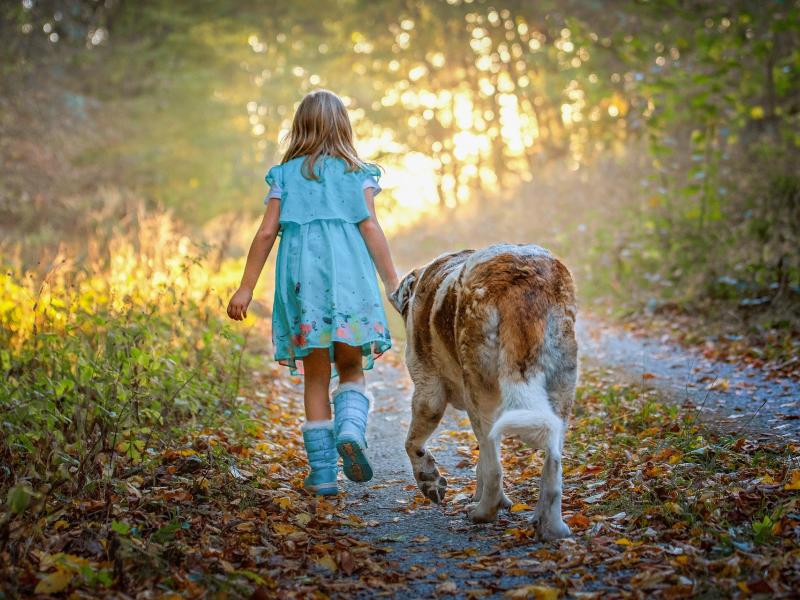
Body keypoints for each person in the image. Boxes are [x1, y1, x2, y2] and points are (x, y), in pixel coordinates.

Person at [226, 89, 399, 496]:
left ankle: (323, 475)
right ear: (343, 126)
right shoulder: (358, 174)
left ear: (299, 127)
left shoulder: (285, 176)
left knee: (316, 378)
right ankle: (351, 429)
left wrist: (245, 287)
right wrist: (392, 281)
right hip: (351, 283)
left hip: (304, 289)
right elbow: (370, 228)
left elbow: (267, 232)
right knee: (351, 367)